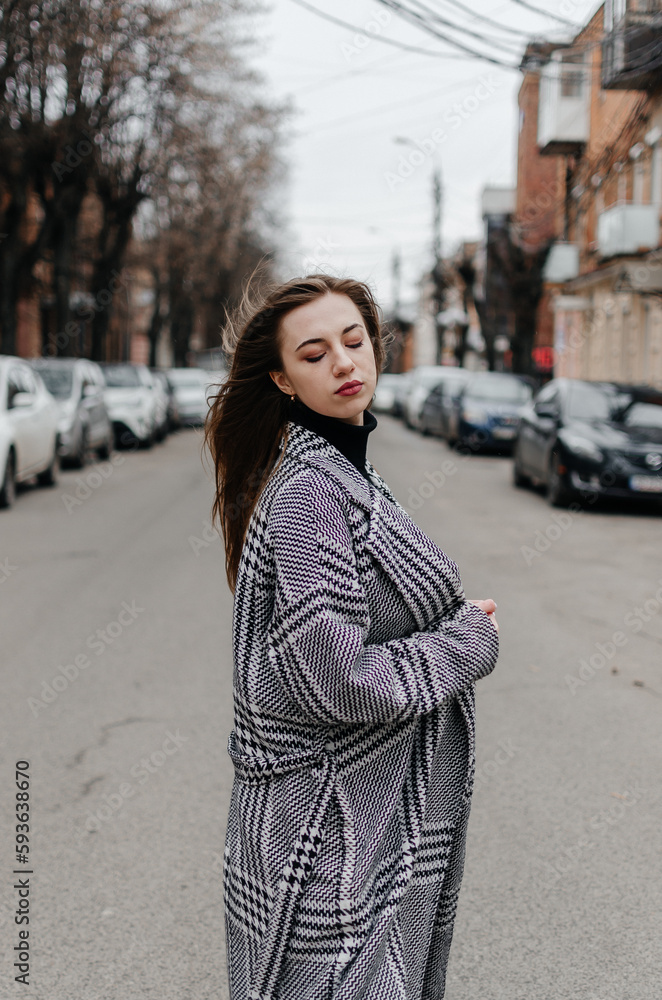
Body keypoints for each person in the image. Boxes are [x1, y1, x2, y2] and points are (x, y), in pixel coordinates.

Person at [204, 273, 499, 1000]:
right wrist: (465, 642)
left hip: (344, 823)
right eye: (314, 353)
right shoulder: (311, 492)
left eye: (354, 340)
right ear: (281, 377)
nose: (343, 361)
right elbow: (339, 678)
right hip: (323, 834)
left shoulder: (345, 473)